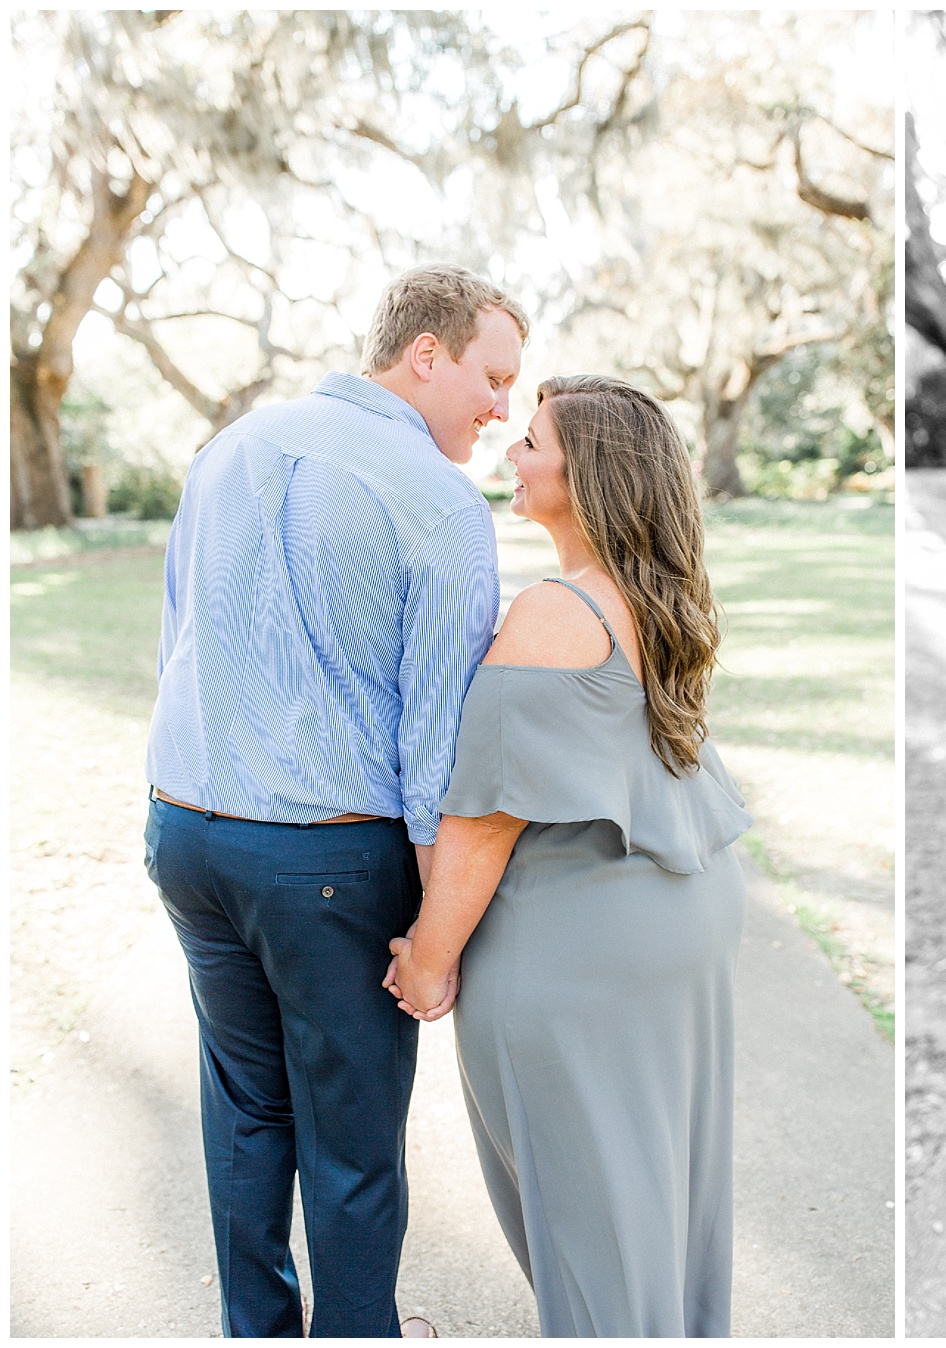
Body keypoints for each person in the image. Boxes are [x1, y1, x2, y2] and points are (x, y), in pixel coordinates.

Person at [143, 264, 528, 1336]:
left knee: (248, 1103)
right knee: (351, 1134)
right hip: (322, 858)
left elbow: (174, 642)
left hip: (185, 831)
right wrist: (431, 924)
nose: (501, 408)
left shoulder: (229, 447)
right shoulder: (440, 499)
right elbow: (435, 740)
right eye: (492, 378)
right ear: (427, 354)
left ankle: (255, 1330)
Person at [384, 375, 753, 1337]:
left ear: (587, 476)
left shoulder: (557, 611)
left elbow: (485, 819)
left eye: (535, 439)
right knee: (658, 1196)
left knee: (591, 1236)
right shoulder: (653, 594)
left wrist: (428, 959)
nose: (514, 448)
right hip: (678, 922)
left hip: (584, 951)